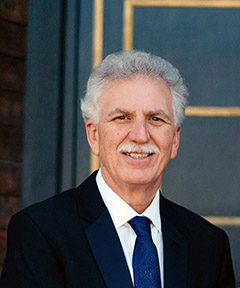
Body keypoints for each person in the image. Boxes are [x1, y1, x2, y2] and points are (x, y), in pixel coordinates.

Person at [0, 50, 235, 288]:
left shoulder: (209, 245)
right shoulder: (41, 233)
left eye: (156, 119)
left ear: (174, 140)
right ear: (94, 136)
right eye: (122, 118)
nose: (140, 136)